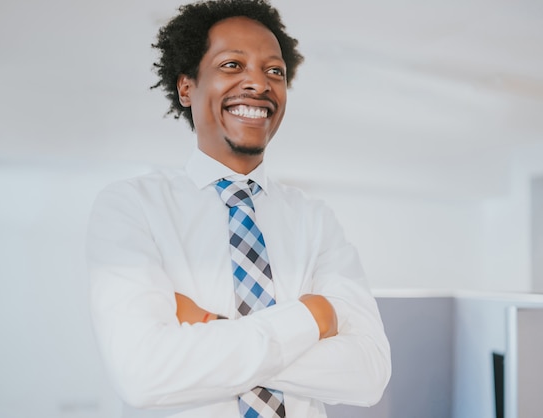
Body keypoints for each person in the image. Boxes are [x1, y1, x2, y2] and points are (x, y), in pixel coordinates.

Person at [86, 1, 391, 417]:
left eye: (274, 71)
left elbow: (368, 373)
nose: (258, 83)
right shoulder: (131, 207)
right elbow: (143, 373)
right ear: (187, 86)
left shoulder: (315, 220)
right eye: (232, 65)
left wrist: (212, 328)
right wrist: (311, 317)